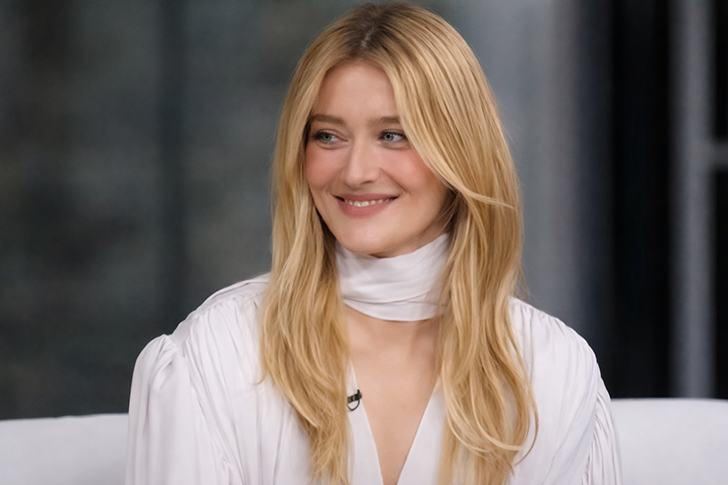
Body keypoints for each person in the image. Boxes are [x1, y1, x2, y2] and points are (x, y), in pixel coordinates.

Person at [125, 3, 621, 485]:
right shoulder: (219, 351)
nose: (356, 172)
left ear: (462, 153)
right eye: (328, 136)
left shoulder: (552, 368)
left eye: (393, 135)